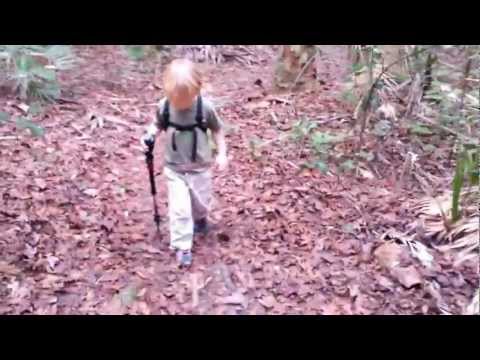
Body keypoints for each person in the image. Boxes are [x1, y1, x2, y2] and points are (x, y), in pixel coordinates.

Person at [141, 59, 228, 267]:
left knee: (201, 203)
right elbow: (157, 125)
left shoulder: (205, 107)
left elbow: (217, 130)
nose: (180, 103)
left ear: (197, 90)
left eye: (185, 99)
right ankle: (182, 246)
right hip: (175, 167)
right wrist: (149, 136)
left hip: (200, 166)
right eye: (175, 99)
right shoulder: (164, 106)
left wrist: (222, 153)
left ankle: (200, 219)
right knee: (180, 209)